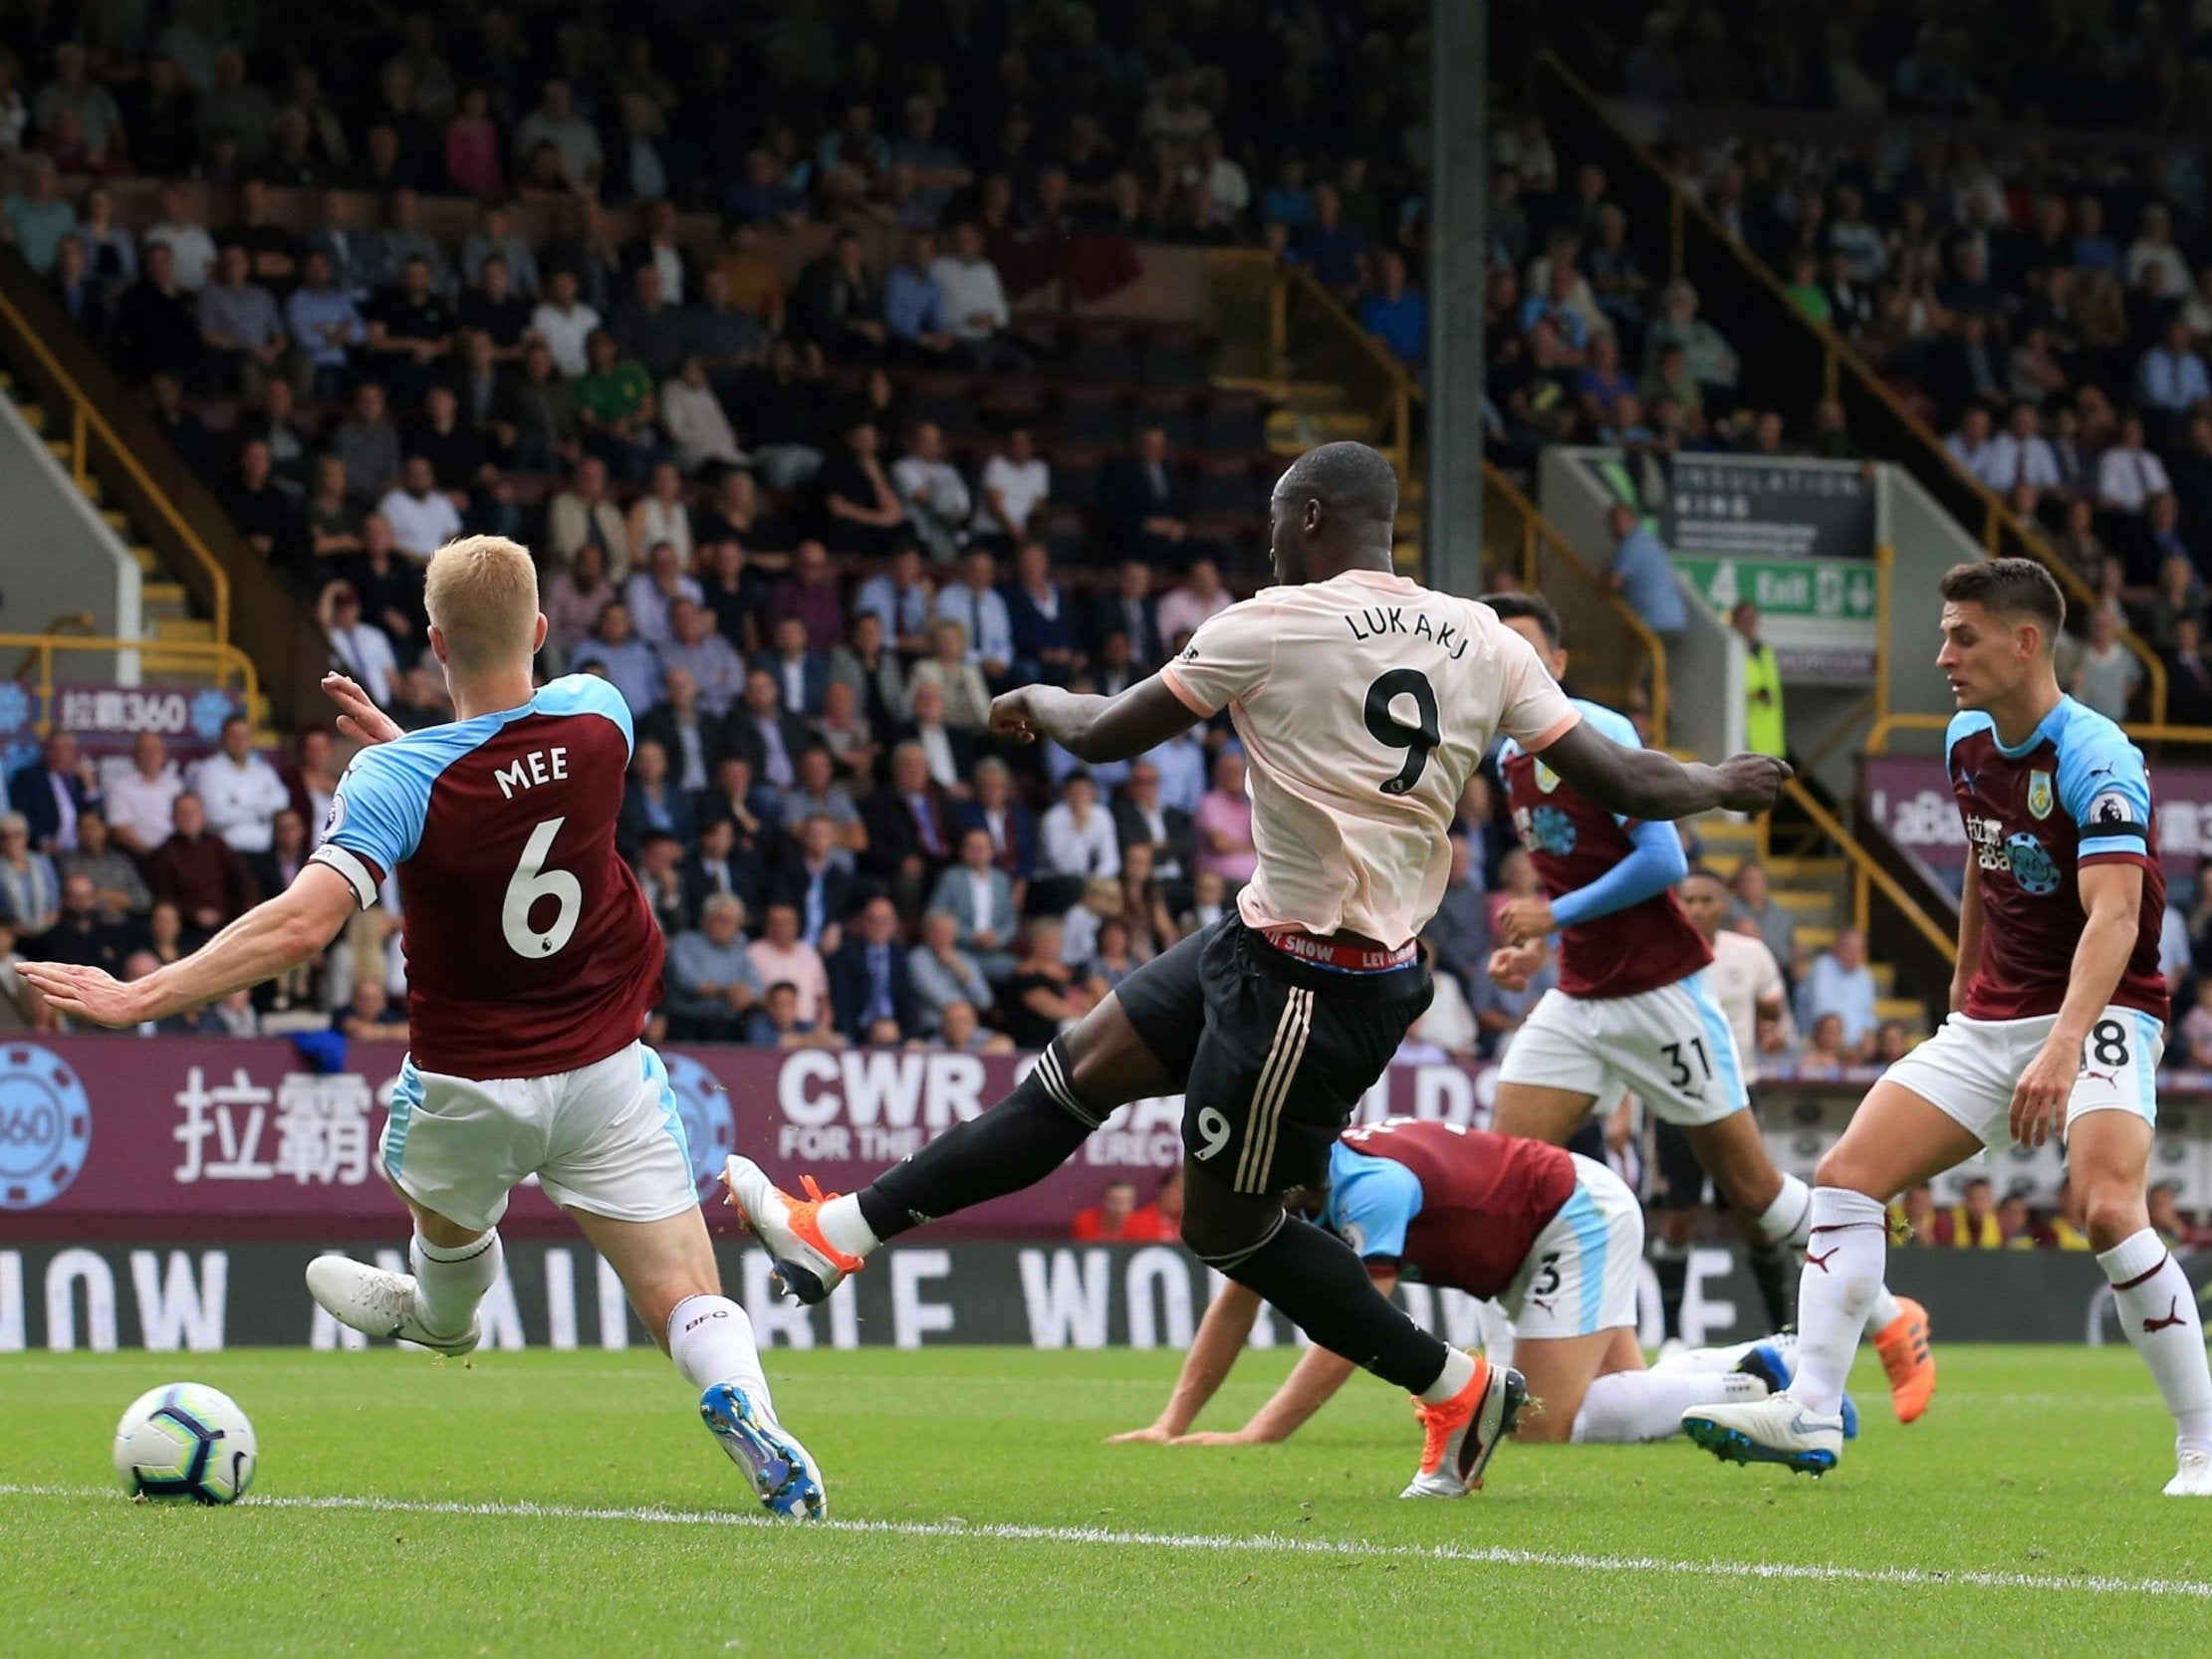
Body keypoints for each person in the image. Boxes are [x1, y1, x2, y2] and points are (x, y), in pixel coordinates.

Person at [723, 440, 1788, 1501]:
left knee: (1227, 1228)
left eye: (1279, 518)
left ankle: (1456, 1386)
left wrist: (1036, 701)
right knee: (1070, 1073)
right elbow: (1623, 778)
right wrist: (1716, 780)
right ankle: (838, 1234)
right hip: (1266, 940)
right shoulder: (1481, 636)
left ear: (1314, 514)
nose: (1271, 539)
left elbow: (1101, 733)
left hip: (1313, 982)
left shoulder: (1269, 623)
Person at [17, 537, 825, 1520]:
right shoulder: (598, 712)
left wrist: (138, 994)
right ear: (537, 629)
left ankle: (442, 1320)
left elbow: (307, 922)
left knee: (440, 1223)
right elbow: (509, 786)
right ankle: (741, 1401)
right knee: (684, 1292)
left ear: (433, 639)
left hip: (469, 1084)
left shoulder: (399, 782)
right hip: (604, 1067)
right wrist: (409, 747)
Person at [1685, 560, 2212, 1497]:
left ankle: (2201, 1446)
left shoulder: (2096, 755)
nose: (1942, 656)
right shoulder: (1968, 739)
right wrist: (1966, 988)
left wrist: (2058, 1047)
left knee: (2101, 1208)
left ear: (2024, 641)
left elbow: (2116, 921)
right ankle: (1810, 1406)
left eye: (1962, 636)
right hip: (1994, 1019)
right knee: (1845, 1179)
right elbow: (1983, 859)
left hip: (2103, 1010)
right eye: (1944, 634)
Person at [1481, 594, 1927, 1408]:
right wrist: (1537, 943)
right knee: (1495, 1184)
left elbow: (1662, 862)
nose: (1506, 666)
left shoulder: (1597, 734)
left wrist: (1552, 915)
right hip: (1578, 1000)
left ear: (1556, 662)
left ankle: (1893, 1317)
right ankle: (1493, 1389)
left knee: (1754, 1192)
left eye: (1521, 651)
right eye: (1492, 653)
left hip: (1659, 997)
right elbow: (1576, 872)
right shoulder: (1506, 756)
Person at [1113, 1117, 1802, 1450]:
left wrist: (1260, 1433)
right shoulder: (1300, 1185)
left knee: (1536, 1425)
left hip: (1569, 1218)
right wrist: (1170, 1423)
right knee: (1607, 1400)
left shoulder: (1367, 1188)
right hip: (1524, 1243)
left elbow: (1354, 1328)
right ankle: (1751, 1368)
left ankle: (1764, 1373)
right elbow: (1239, 1296)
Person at [1733, 601, 1785, 759]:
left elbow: (1773, 690)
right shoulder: (1730, 651)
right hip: (1741, 736)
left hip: (1768, 740)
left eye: (1753, 619)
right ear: (1734, 621)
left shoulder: (1766, 651)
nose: (1749, 624)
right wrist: (1755, 695)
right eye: (1745, 619)